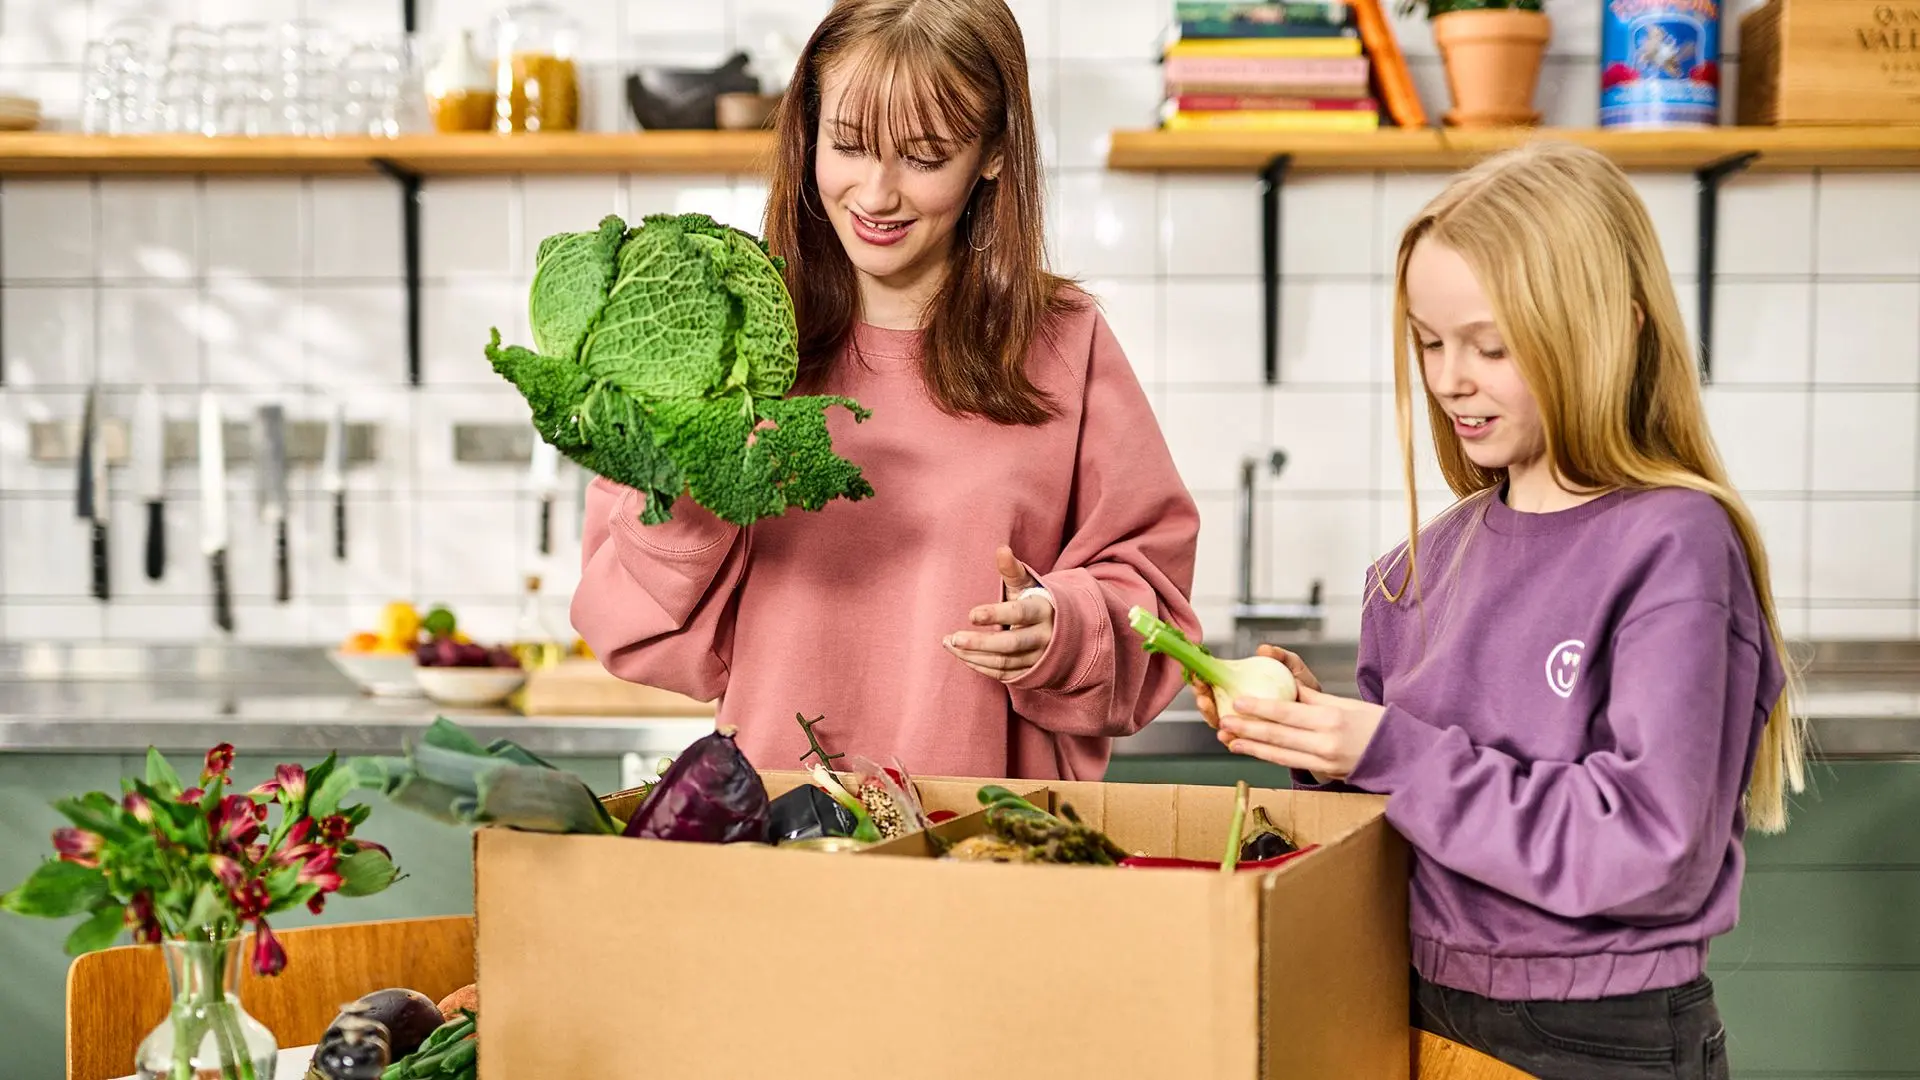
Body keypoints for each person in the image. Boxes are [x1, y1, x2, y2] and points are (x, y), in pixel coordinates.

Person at [1195, 141, 1806, 1080]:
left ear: (1614, 330)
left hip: (1599, 1034)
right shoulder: (1417, 569)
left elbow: (1650, 848)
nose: (1449, 379)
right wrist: (1314, 742)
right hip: (1413, 1003)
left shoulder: (1674, 545)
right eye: (1430, 343)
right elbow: (1399, 827)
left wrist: (1383, 747)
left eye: (1490, 345)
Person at [572, 0, 1200, 782]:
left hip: (990, 853)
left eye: (926, 157)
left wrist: (1061, 628)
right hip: (780, 843)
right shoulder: (731, 343)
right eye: (847, 145)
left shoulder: (1063, 342)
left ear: (994, 153)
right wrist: (696, 496)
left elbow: (1154, 604)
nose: (875, 193)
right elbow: (622, 625)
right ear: (808, 135)